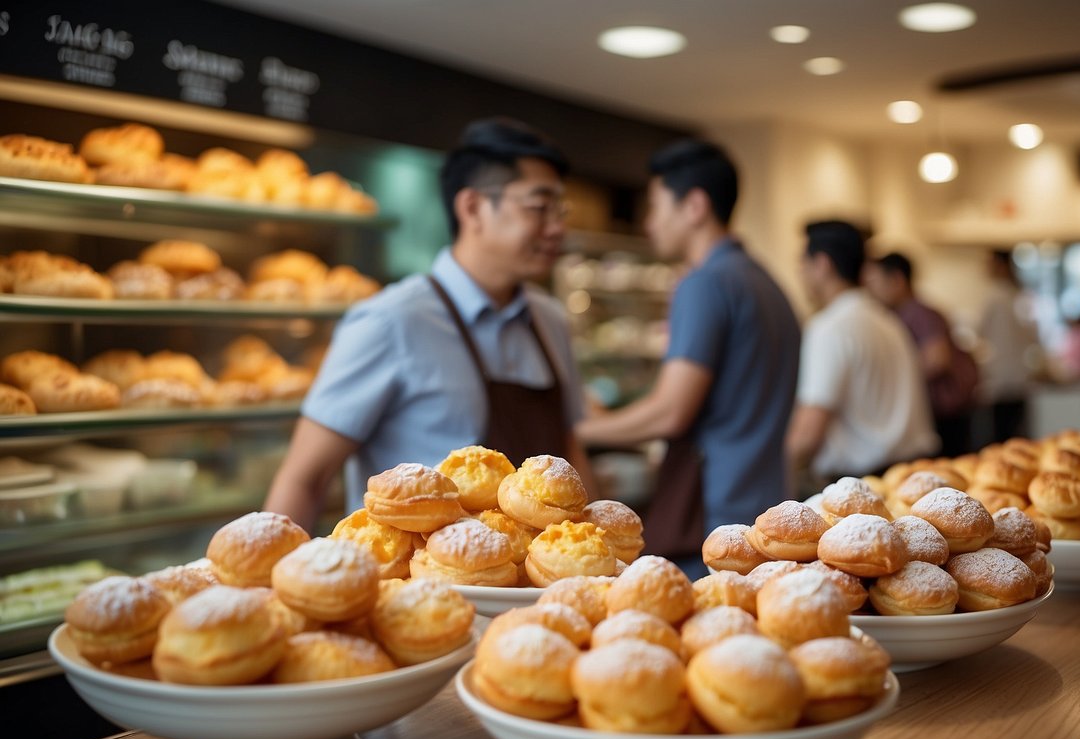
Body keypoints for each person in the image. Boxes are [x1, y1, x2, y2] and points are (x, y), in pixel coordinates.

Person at [265, 117, 592, 529]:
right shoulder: (390, 320)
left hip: (543, 583)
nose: (557, 228)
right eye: (539, 208)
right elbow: (305, 478)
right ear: (472, 207)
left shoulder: (551, 321)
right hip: (418, 585)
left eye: (559, 210)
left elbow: (570, 451)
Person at [575, 139, 800, 576]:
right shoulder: (769, 285)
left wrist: (581, 429)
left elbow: (670, 412)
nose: (649, 223)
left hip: (715, 513)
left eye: (657, 206)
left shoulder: (705, 283)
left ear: (695, 205)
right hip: (769, 504)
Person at [786, 221, 938, 484]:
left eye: (803, 263)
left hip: (859, 487)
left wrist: (781, 466)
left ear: (822, 264)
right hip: (913, 473)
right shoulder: (889, 321)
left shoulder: (828, 327)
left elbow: (809, 431)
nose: (801, 274)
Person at [865, 252, 980, 457]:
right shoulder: (899, 314)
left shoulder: (919, 313)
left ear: (898, 280)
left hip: (944, 412)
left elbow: (937, 359)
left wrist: (898, 381)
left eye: (875, 281)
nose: (871, 289)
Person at [974, 249, 1039, 442]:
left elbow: (979, 331)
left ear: (1000, 265)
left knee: (999, 438)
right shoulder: (1020, 296)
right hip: (1019, 377)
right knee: (1018, 435)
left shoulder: (994, 297)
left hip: (999, 380)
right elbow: (1033, 336)